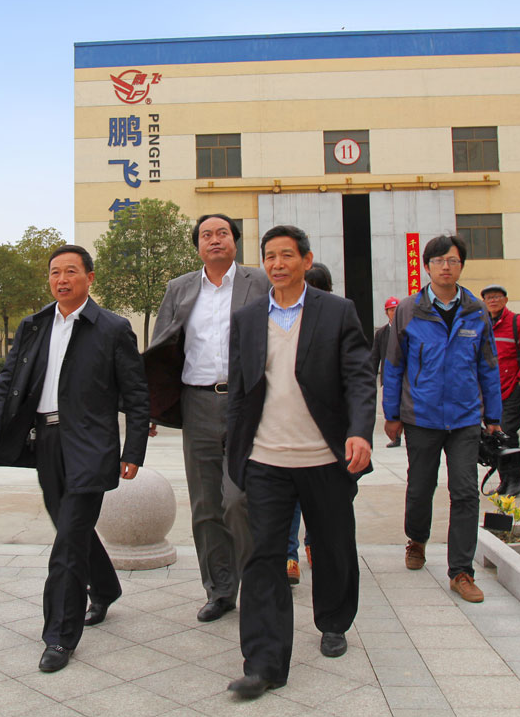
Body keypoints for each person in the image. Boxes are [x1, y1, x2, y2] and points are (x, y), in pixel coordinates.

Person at [0, 244, 150, 673]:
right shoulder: (34, 325)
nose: (62, 279)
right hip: (46, 441)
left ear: (90, 277)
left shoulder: (112, 328)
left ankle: (59, 635)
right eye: (55, 272)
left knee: (68, 541)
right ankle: (105, 588)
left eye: (71, 271)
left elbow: (136, 395)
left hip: (91, 446)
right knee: (71, 530)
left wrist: (133, 450)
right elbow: (6, 383)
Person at [224, 225, 375, 698]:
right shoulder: (247, 318)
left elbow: (359, 377)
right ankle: (263, 663)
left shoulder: (337, 311)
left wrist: (359, 431)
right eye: (270, 256)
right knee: (264, 557)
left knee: (332, 546)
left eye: (287, 255)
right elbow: (239, 388)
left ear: (306, 261)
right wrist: (236, 449)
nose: (277, 264)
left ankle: (333, 621)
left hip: (323, 456)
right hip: (266, 457)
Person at [144, 213, 270, 621]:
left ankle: (257, 584)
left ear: (235, 240)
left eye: (222, 233)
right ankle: (220, 589)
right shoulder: (179, 288)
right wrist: (149, 406)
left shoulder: (259, 283)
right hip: (196, 403)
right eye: (206, 235)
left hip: (246, 403)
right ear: (197, 245)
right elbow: (162, 346)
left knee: (239, 499)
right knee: (205, 504)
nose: (214, 240)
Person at [382, 235, 501, 604]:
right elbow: (393, 365)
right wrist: (391, 415)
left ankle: (461, 571)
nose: (445, 267)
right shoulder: (409, 310)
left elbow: (488, 365)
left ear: (461, 265)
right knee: (421, 486)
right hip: (421, 416)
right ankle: (416, 539)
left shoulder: (475, 310)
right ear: (427, 267)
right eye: (438, 261)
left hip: (464, 418)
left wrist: (493, 416)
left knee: (465, 491)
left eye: (452, 260)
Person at [286, 261, 333, 583]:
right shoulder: (282, 320)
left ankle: (315, 544)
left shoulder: (337, 321)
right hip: (289, 422)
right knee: (291, 495)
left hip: (324, 426)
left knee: (320, 494)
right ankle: (289, 556)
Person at [481, 284, 520, 496]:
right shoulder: (481, 325)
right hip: (488, 394)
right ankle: (503, 480)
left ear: (505, 300)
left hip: (511, 391)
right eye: (489, 298)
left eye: (497, 297)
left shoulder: (518, 323)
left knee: (508, 435)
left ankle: (515, 479)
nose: (493, 301)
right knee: (492, 438)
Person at [371, 296, 402, 448]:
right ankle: (396, 437)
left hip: (406, 378)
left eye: (396, 310)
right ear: (386, 312)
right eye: (391, 310)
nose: (394, 313)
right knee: (391, 407)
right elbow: (375, 357)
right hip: (389, 378)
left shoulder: (407, 330)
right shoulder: (381, 333)